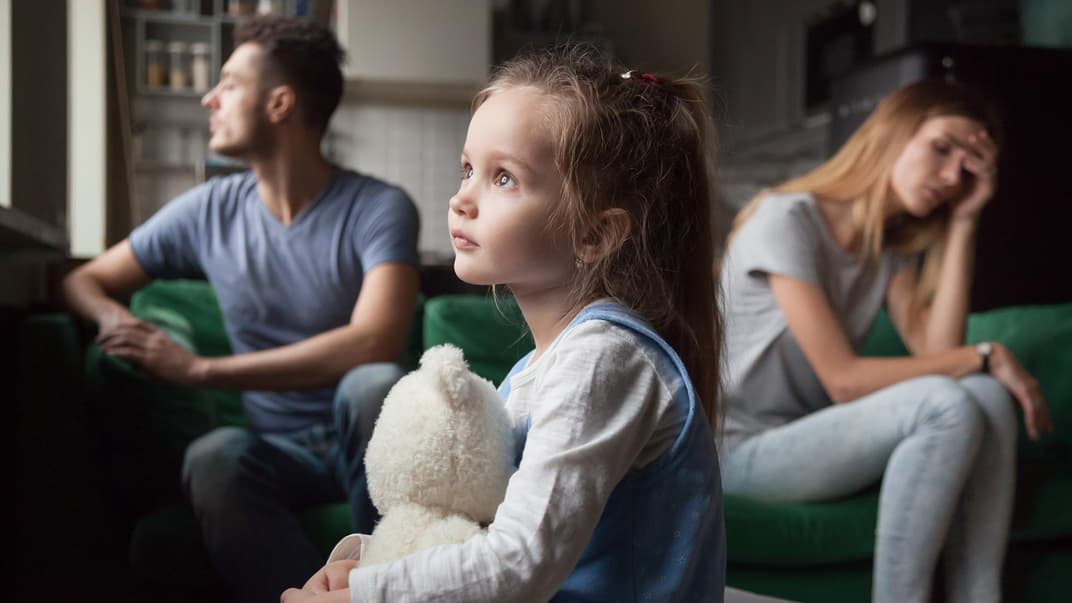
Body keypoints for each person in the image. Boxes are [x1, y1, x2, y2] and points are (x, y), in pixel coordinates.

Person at [282, 43, 726, 602]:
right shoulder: (536, 370)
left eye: (505, 178)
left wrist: (365, 595)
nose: (461, 199)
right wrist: (364, 566)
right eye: (468, 169)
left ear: (596, 234)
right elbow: (485, 536)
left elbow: (519, 565)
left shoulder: (604, 360)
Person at [61, 16, 420, 602]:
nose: (210, 96)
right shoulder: (208, 211)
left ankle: (383, 587)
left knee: (372, 383)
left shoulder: (379, 207)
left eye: (228, 83)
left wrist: (198, 369)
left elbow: (372, 342)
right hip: (281, 452)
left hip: (368, 441)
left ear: (280, 103)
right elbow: (84, 280)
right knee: (213, 456)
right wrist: (114, 320)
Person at [718, 79, 1053, 603]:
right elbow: (845, 381)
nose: (950, 177)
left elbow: (935, 353)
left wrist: (965, 220)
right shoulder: (785, 220)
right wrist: (984, 355)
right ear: (893, 134)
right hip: (731, 450)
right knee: (946, 401)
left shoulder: (887, 253)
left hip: (800, 440)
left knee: (986, 396)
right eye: (942, 148)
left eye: (967, 169)